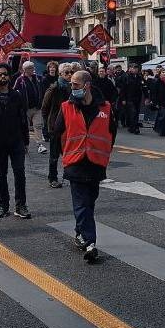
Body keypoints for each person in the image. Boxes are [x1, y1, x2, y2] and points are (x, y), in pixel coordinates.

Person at [50, 69, 117, 263]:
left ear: (86, 86)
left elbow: (111, 133)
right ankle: (90, 242)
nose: (72, 88)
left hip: (96, 162)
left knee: (90, 202)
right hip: (75, 162)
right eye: (71, 84)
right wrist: (65, 155)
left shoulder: (106, 107)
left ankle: (80, 232)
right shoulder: (66, 107)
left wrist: (104, 153)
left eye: (75, 85)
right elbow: (57, 132)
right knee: (81, 204)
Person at [0, 63, 32, 218]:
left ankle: (21, 205)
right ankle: (3, 205)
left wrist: (26, 141)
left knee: (20, 173)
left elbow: (23, 119)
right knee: (1, 174)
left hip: (16, 141)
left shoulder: (16, 96)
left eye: (5, 74)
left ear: (9, 76)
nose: (3, 77)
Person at [40, 63, 75, 187]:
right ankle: (53, 178)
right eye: (66, 73)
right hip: (56, 125)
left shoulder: (73, 88)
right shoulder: (54, 88)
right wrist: (49, 123)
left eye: (71, 72)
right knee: (54, 154)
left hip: (71, 125)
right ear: (60, 74)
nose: (70, 75)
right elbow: (44, 108)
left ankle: (69, 176)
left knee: (70, 152)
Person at [14, 61, 44, 147]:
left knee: (38, 125)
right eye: (30, 68)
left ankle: (40, 144)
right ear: (25, 70)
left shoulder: (38, 78)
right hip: (26, 108)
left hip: (37, 107)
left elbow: (43, 87)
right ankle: (25, 144)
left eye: (33, 67)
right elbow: (15, 91)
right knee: (25, 127)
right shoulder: (20, 80)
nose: (32, 70)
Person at [117, 63, 143, 135]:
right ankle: (135, 128)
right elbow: (123, 89)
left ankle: (132, 127)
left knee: (136, 113)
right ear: (130, 68)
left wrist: (146, 97)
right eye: (133, 68)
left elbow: (143, 87)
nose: (135, 69)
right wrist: (123, 99)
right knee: (133, 112)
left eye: (136, 68)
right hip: (129, 98)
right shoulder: (126, 77)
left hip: (137, 98)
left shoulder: (139, 77)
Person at [149, 67, 165, 136]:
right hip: (160, 102)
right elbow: (153, 93)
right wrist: (155, 102)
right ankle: (161, 130)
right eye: (163, 72)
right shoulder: (156, 82)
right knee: (163, 116)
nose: (164, 74)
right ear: (160, 74)